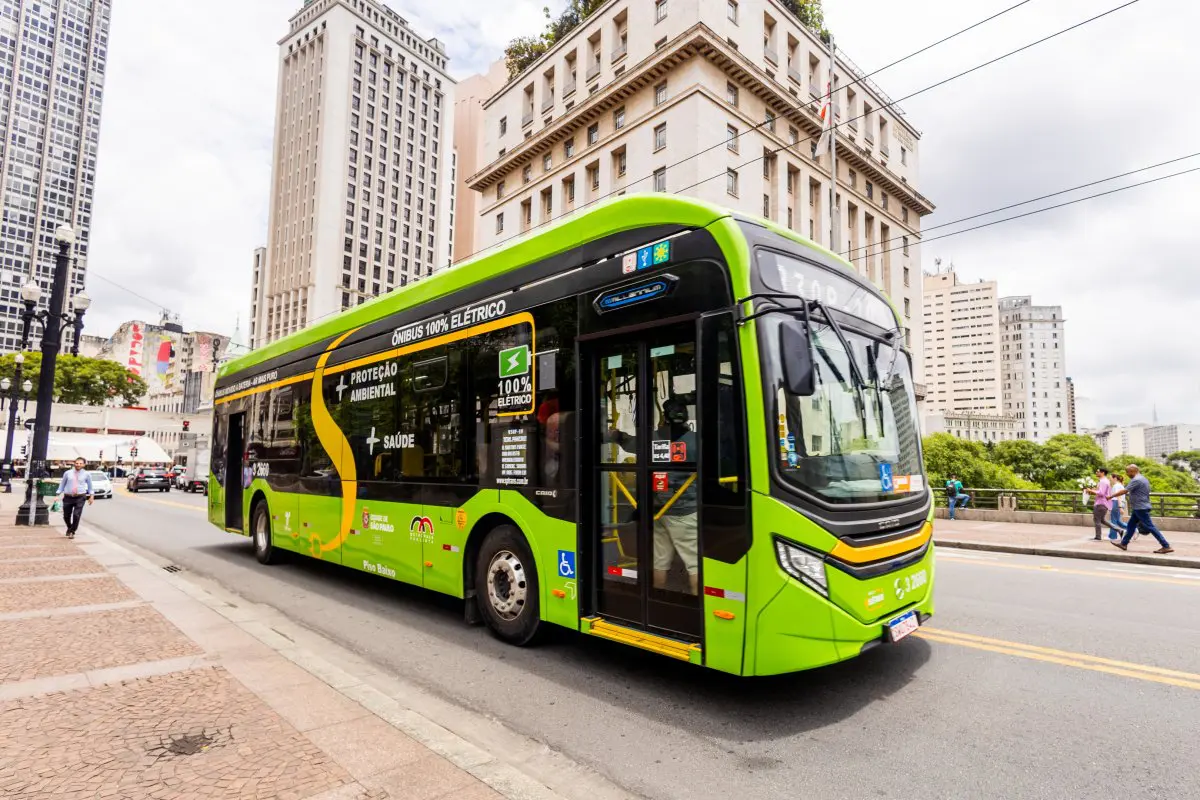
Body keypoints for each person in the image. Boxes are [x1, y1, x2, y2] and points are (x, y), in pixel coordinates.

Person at [605, 395, 698, 594]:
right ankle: (697, 604)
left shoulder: (654, 438)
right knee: (694, 563)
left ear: (665, 417)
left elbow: (630, 443)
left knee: (660, 562)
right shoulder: (695, 441)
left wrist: (615, 434)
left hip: (658, 510)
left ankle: (658, 599)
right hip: (685, 510)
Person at [1109, 464, 1173, 554]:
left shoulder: (1136, 480)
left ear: (1133, 471)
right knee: (1131, 525)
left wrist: (1110, 496)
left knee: (1150, 527)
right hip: (1139, 507)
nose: (1127, 474)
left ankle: (1166, 545)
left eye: (1128, 472)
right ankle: (1124, 543)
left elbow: (1125, 491)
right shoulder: (1143, 478)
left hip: (1140, 507)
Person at [55, 457, 94, 539]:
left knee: (76, 515)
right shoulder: (67, 473)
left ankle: (72, 531)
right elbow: (62, 484)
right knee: (66, 516)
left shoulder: (87, 474)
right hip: (68, 497)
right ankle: (69, 528)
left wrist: (91, 496)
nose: (78, 465)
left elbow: (90, 487)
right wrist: (57, 494)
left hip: (80, 497)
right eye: (77, 463)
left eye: (80, 463)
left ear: (84, 464)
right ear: (74, 463)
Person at [1085, 468, 1123, 541]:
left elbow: (1101, 493)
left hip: (1101, 503)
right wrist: (1092, 490)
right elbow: (1100, 491)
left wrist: (1091, 490)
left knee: (1097, 520)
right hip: (1104, 503)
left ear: (1102, 473)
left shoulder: (1103, 481)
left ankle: (1098, 537)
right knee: (1102, 520)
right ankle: (1119, 530)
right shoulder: (1104, 481)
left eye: (1097, 471)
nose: (1096, 472)